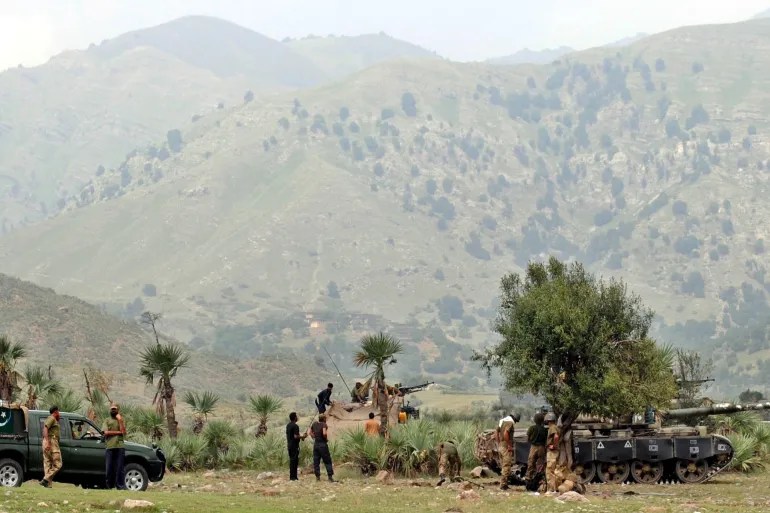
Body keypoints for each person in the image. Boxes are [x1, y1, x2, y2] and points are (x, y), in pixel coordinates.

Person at [102, 403, 127, 489]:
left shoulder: (121, 420)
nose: (113, 410)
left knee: (120, 468)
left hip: (120, 446)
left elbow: (124, 432)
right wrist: (118, 432)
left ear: (118, 410)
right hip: (110, 446)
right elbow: (106, 432)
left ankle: (120, 486)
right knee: (109, 468)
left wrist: (120, 420)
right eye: (112, 409)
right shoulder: (107, 420)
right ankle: (109, 486)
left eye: (114, 409)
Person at [40, 405, 62, 488]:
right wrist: (48, 442)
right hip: (51, 441)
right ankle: (45, 479)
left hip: (49, 441)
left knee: (48, 463)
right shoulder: (52, 418)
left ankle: (47, 484)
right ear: (56, 412)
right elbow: (45, 428)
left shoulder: (52, 419)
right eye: (58, 412)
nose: (59, 413)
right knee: (58, 464)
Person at [497, 412, 520, 490]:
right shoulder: (510, 423)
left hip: (500, 446)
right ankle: (503, 485)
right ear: (514, 418)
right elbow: (506, 433)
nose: (515, 422)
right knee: (506, 466)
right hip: (506, 447)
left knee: (503, 466)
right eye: (516, 421)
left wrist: (499, 442)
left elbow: (496, 432)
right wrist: (509, 445)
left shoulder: (502, 421)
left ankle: (504, 484)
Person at [308, 414, 334, 482]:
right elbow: (324, 433)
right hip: (322, 445)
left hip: (316, 444)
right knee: (327, 461)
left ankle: (318, 478)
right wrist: (325, 439)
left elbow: (310, 433)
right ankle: (330, 477)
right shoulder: (324, 424)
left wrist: (315, 437)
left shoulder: (314, 424)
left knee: (316, 461)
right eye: (325, 418)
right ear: (324, 419)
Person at [526, 412, 548, 485]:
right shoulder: (545, 430)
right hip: (542, 447)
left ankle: (529, 478)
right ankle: (541, 479)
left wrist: (531, 442)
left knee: (531, 462)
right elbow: (546, 440)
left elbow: (528, 438)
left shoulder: (531, 428)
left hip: (533, 446)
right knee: (541, 464)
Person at [286, 412, 307, 481]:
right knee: (294, 461)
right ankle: (293, 477)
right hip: (294, 446)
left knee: (292, 461)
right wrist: (303, 436)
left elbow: (293, 436)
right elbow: (295, 436)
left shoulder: (288, 425)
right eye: (296, 416)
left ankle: (293, 477)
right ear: (295, 418)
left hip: (289, 445)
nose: (297, 417)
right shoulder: (295, 426)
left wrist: (301, 437)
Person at [545, 412, 560, 492]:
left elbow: (556, 436)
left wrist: (554, 446)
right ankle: (555, 488)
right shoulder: (555, 427)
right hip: (554, 451)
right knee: (554, 470)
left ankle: (551, 489)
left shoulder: (552, 427)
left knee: (550, 470)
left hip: (552, 452)